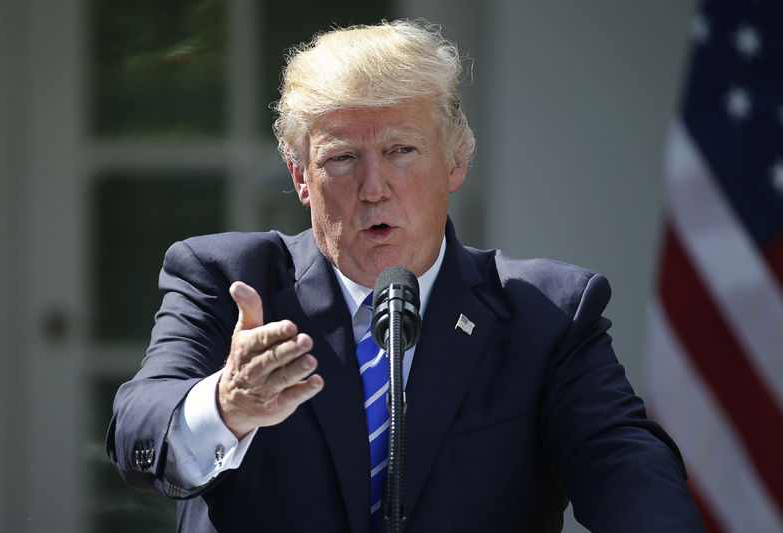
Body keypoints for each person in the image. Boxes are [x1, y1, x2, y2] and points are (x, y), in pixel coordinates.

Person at [106, 19, 704, 532]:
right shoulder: (227, 280)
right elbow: (138, 429)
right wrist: (227, 406)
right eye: (342, 158)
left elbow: (625, 468)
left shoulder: (548, 315)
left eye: (402, 151)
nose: (373, 188)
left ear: (456, 160)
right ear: (300, 177)